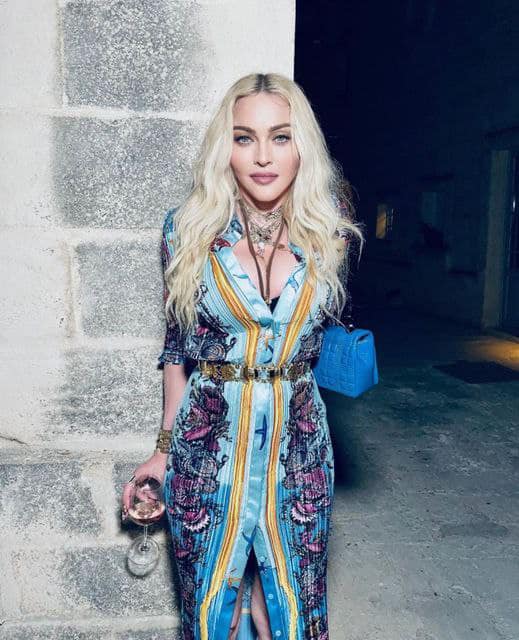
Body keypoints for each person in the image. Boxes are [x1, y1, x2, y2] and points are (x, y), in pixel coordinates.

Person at [122, 72, 363, 640]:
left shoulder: (329, 231)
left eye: (280, 136)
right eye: (244, 137)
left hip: (300, 450)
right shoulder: (186, 230)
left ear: (302, 145)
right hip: (208, 449)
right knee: (214, 616)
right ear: (224, 147)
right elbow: (177, 348)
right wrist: (163, 451)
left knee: (291, 617)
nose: (262, 156)